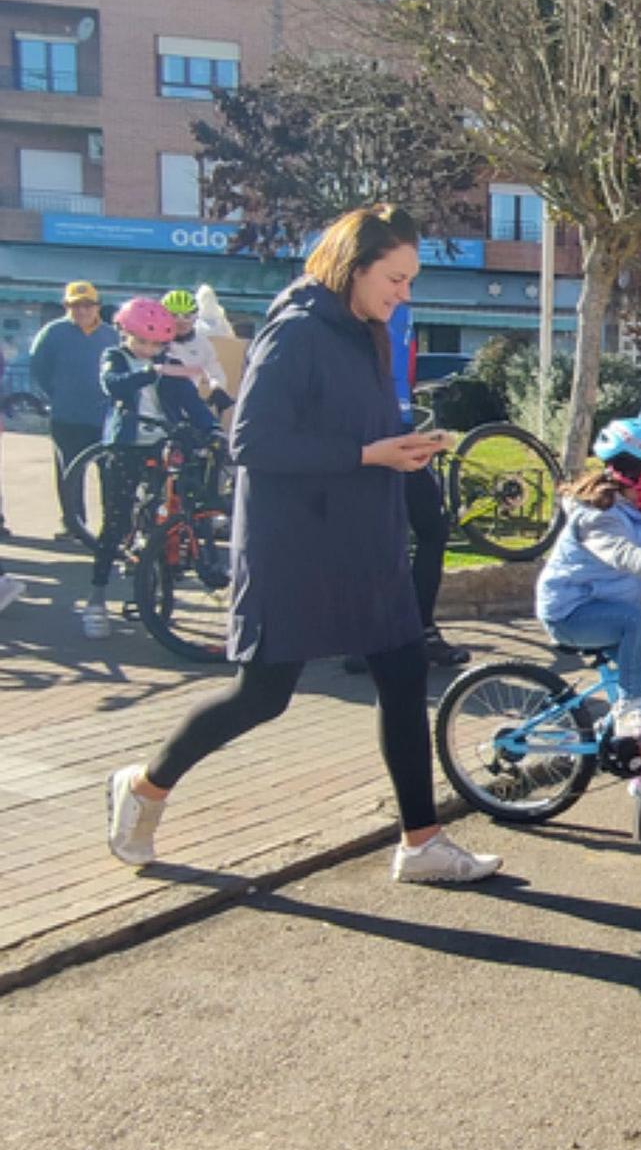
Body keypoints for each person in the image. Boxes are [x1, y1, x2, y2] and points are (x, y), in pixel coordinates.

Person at [104, 204, 503, 885]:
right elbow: (252, 442)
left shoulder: (362, 329)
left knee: (405, 676)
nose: (405, 294)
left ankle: (421, 842)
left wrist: (399, 454)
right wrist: (368, 452)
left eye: (410, 280)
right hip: (296, 546)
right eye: (396, 278)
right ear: (355, 265)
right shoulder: (294, 332)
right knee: (262, 696)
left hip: (363, 537)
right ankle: (144, 787)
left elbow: (360, 433)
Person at [535, 418, 641, 740]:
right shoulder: (598, 517)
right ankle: (629, 709)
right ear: (634, 480)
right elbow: (622, 553)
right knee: (638, 621)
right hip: (570, 613)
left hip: (607, 610)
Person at [84, 298, 219, 638]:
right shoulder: (115, 358)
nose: (148, 350)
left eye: (156, 344)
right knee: (116, 520)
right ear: (124, 334)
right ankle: (96, 598)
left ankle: (163, 564)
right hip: (126, 446)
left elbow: (191, 401)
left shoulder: (169, 364)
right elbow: (112, 383)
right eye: (141, 341)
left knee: (171, 509)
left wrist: (212, 428)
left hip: (163, 445)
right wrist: (148, 372)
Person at [344, 301, 463, 671]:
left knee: (431, 527)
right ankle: (371, 639)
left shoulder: (401, 308)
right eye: (397, 276)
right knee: (378, 537)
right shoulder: (353, 307)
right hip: (369, 435)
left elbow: (402, 368)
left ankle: (418, 630)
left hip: (399, 425)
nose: (404, 287)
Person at [29, 280, 114, 531]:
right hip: (67, 417)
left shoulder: (112, 335)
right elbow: (38, 368)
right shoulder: (53, 333)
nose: (82, 311)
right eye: (75, 305)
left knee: (109, 475)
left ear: (98, 306)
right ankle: (73, 525)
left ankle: (112, 527)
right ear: (66, 306)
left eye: (88, 305)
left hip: (105, 419)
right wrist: (55, 394)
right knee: (69, 474)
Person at [160, 288, 231, 409]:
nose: (181, 321)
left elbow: (215, 372)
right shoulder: (152, 341)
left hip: (187, 404)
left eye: (187, 316)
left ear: (195, 317)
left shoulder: (202, 342)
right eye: (174, 316)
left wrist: (217, 388)